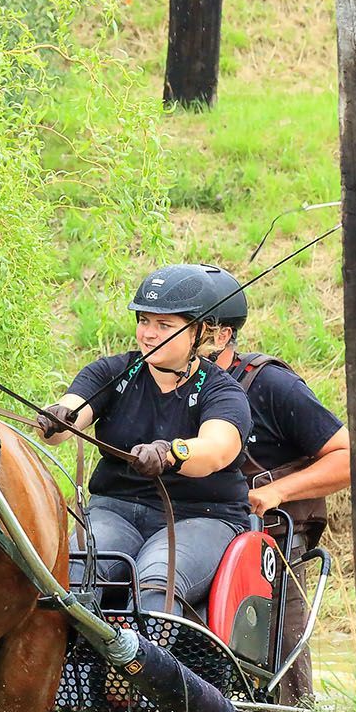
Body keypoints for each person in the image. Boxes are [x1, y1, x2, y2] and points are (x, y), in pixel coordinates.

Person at [37, 264, 254, 618]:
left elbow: (216, 450)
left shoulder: (222, 391)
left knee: (156, 579)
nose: (149, 334)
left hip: (200, 517)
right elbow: (72, 415)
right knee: (72, 570)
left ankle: (149, 673)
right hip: (115, 510)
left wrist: (172, 453)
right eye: (144, 321)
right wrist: (57, 416)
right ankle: (73, 670)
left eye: (164, 325)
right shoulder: (112, 372)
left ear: (199, 333)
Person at [201, 265, 352, 704]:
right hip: (199, 532)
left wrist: (276, 491)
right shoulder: (166, 384)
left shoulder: (270, 385)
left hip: (272, 545)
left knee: (278, 661)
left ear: (222, 335)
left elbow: (350, 457)